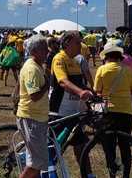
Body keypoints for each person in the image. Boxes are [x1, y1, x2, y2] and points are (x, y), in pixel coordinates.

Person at [94, 41, 132, 177]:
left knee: (109, 145)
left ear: (106, 56)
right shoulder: (128, 70)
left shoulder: (102, 70)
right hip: (126, 111)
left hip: (108, 111)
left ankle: (112, 172)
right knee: (124, 144)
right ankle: (126, 174)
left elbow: (97, 91)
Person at [50, 31, 93, 169]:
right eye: (77, 42)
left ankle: (89, 175)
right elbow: (62, 82)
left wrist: (92, 92)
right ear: (67, 43)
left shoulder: (75, 61)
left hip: (73, 112)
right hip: (59, 111)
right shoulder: (59, 58)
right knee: (53, 149)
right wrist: (81, 92)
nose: (81, 45)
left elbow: (79, 84)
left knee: (81, 146)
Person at [16, 35, 50, 178]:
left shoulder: (37, 66)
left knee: (35, 160)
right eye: (44, 50)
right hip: (32, 118)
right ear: (35, 51)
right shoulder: (32, 69)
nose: (47, 52)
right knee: (38, 162)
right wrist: (47, 85)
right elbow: (34, 95)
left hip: (37, 117)